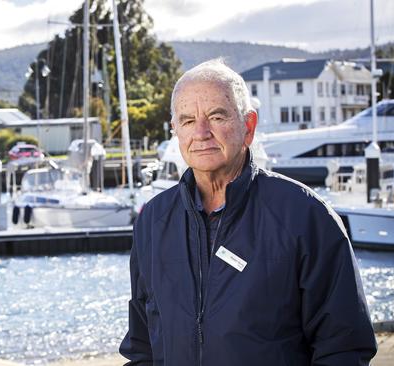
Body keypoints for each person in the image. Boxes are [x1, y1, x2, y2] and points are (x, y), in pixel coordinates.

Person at [119, 59, 376, 365]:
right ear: (175, 130)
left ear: (249, 126)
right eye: (187, 120)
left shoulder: (305, 216)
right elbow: (142, 345)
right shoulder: (153, 221)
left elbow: (344, 348)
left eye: (217, 116)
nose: (201, 132)